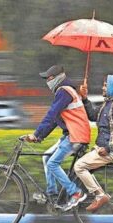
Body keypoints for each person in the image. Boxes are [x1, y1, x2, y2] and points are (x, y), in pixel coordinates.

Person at [25, 65, 90, 211]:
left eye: (49, 78)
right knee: (46, 158)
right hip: (72, 134)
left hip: (76, 136)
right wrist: (39, 136)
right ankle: (52, 195)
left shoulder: (64, 91)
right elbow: (55, 119)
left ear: (58, 78)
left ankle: (75, 192)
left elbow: (51, 115)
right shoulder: (65, 92)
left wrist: (36, 134)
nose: (47, 81)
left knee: (52, 163)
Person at [74, 75, 113, 212]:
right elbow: (93, 115)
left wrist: (108, 149)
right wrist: (85, 98)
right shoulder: (107, 104)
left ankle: (99, 195)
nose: (103, 88)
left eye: (105, 85)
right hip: (101, 148)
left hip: (109, 151)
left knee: (79, 166)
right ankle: (97, 193)